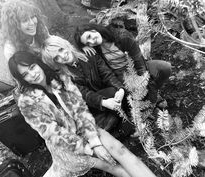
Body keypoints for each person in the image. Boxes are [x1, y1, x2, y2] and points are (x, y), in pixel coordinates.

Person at [8, 51, 157, 177]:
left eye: (32, 67)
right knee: (110, 164)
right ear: (22, 79)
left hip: (84, 128)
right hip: (67, 145)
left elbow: (80, 110)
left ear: (38, 63)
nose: (33, 75)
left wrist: (95, 141)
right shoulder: (26, 102)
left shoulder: (62, 80)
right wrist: (89, 148)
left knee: (119, 150)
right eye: (26, 74)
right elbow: (53, 133)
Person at [42, 35, 135, 136]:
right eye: (57, 58)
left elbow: (107, 74)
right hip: (94, 104)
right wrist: (103, 102)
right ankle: (126, 128)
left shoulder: (89, 54)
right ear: (55, 62)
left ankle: (130, 120)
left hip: (108, 92)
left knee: (118, 88)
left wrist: (120, 89)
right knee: (111, 95)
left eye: (61, 50)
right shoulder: (64, 76)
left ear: (65, 45)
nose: (62, 56)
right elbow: (84, 94)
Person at [74, 23, 172, 105]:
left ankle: (153, 93)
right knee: (131, 92)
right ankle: (147, 103)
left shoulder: (122, 36)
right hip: (119, 74)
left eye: (89, 36)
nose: (92, 41)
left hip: (137, 66)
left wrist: (142, 80)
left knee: (164, 68)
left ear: (93, 29)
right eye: (88, 43)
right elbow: (71, 52)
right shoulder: (95, 49)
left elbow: (139, 61)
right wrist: (82, 48)